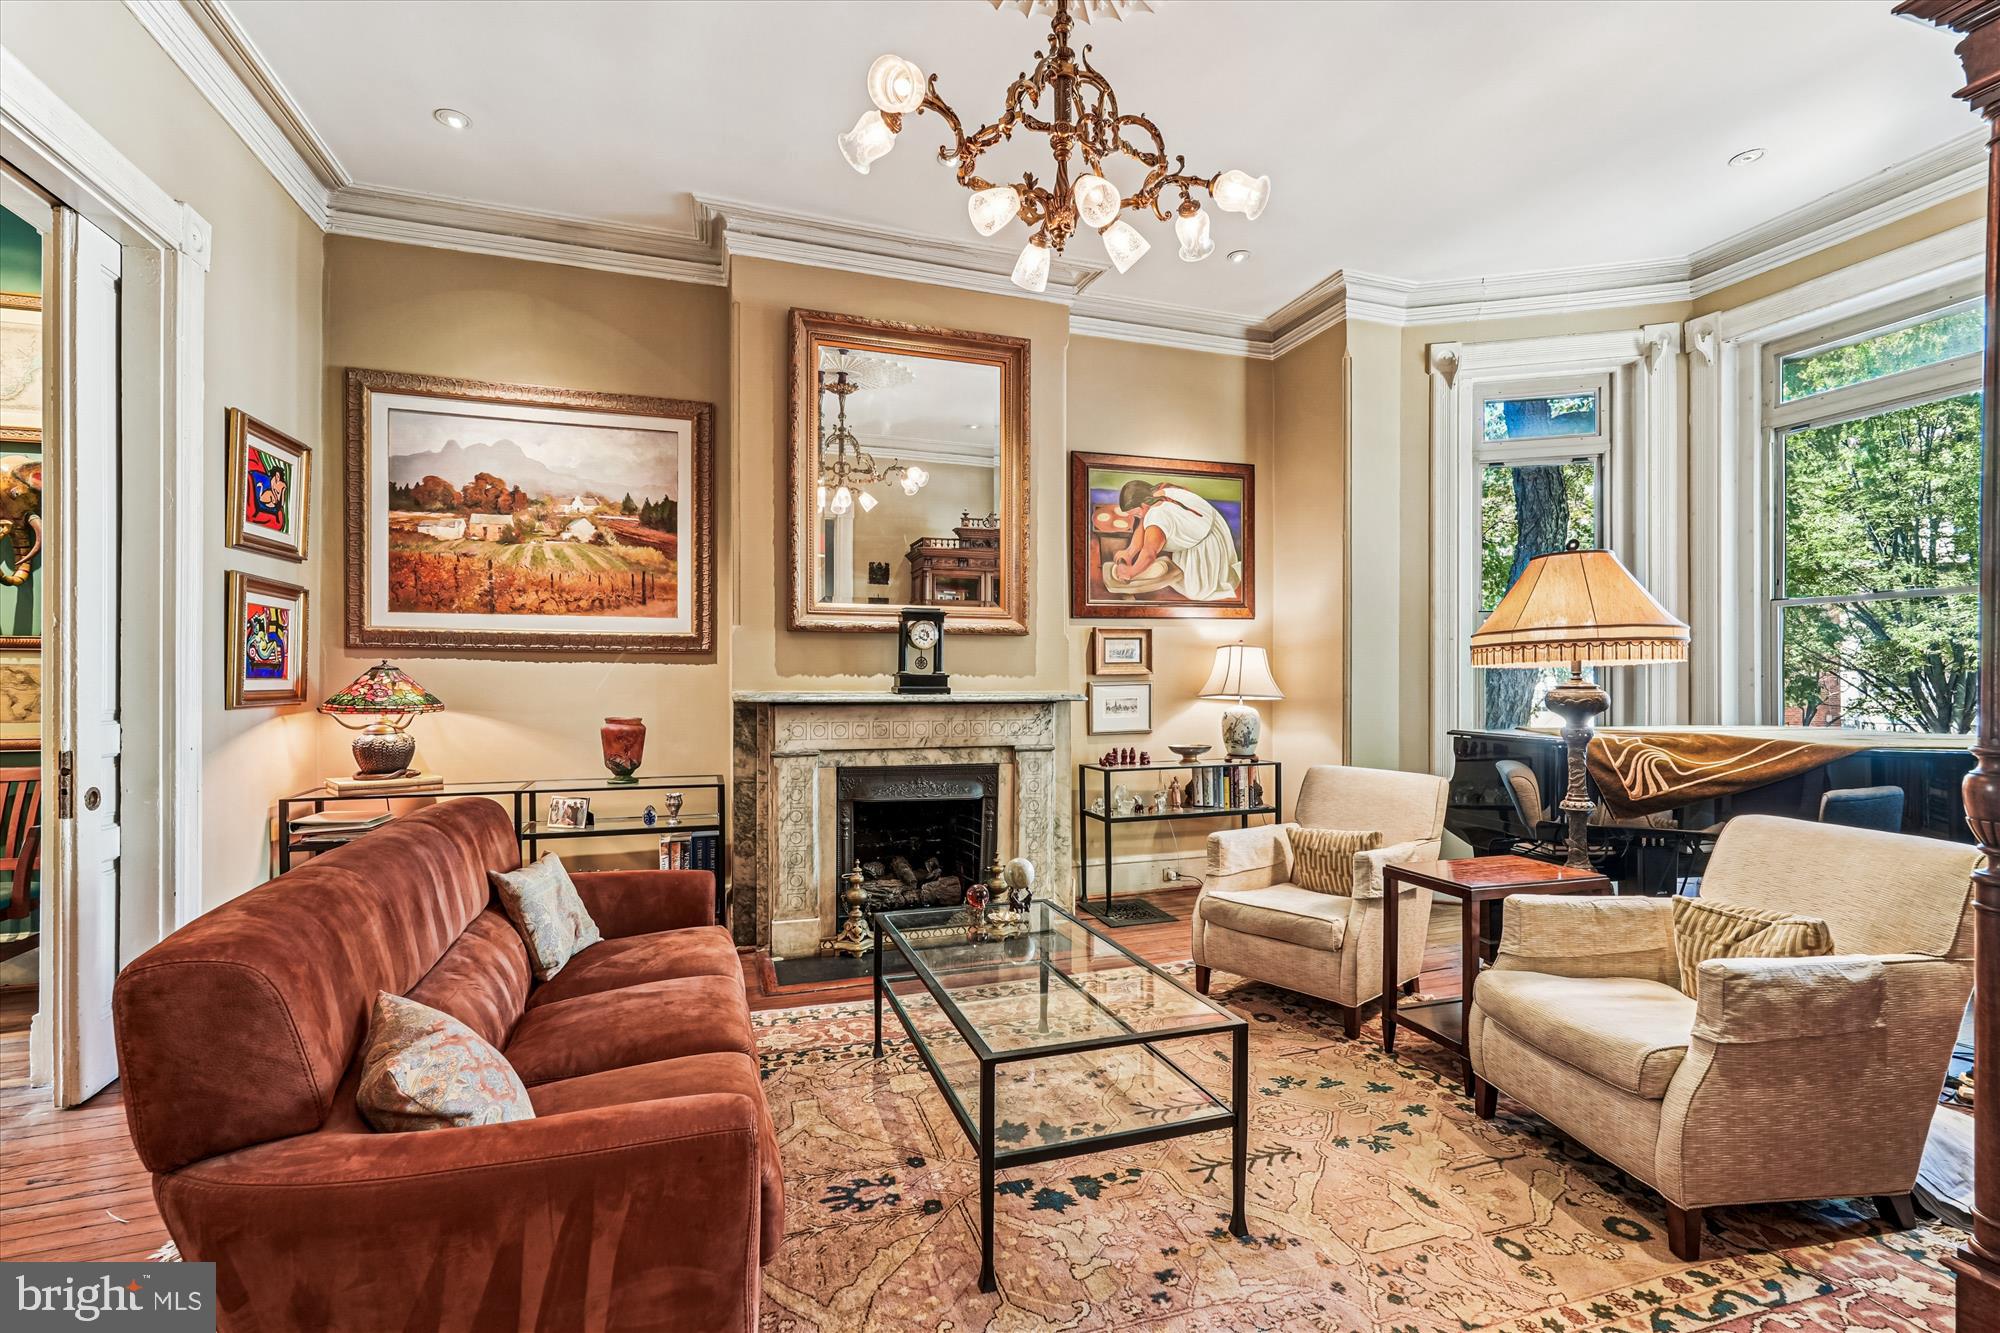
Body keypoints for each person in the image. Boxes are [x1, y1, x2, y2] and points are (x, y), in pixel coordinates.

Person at [1108, 478, 1242, 601]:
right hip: (1209, 527)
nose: (1138, 517)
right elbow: (1142, 524)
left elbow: (1149, 553)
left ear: (1143, 504)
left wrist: (1131, 572)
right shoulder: (1156, 494)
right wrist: (1130, 552)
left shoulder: (1158, 516)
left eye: (1136, 514)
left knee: (1195, 591)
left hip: (1208, 546)